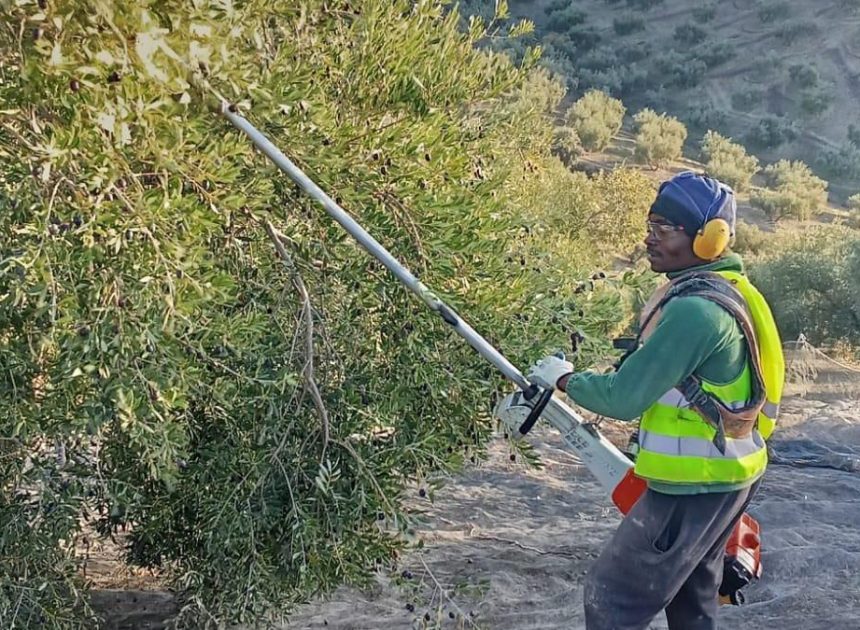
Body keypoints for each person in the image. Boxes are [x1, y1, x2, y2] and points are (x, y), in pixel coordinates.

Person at [527, 172, 784, 630]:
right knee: (693, 598)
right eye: (652, 224)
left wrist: (564, 379)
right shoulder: (725, 291)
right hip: (728, 478)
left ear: (710, 239)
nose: (650, 237)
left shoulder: (697, 311)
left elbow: (624, 397)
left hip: (692, 486)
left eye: (666, 228)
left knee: (612, 600)